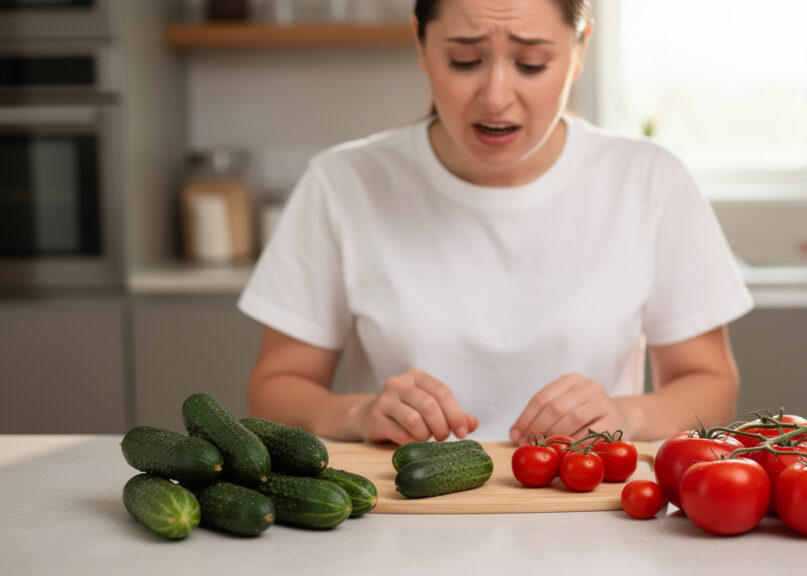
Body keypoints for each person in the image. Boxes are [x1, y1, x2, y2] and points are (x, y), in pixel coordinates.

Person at [239, 0, 753, 445]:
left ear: (579, 52)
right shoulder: (343, 182)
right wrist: (357, 413)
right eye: (464, 60)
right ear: (420, 45)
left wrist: (627, 414)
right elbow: (274, 388)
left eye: (531, 63)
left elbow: (709, 383)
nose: (496, 96)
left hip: (593, 514)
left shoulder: (649, 180)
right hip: (402, 521)